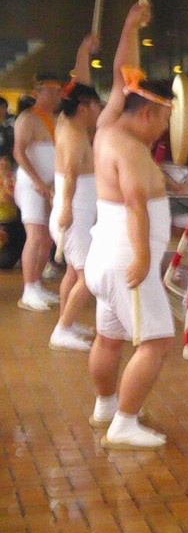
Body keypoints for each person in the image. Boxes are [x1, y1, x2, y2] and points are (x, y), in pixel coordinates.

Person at [84, 2, 175, 446]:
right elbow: (137, 204)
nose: (164, 129)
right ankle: (124, 421)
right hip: (127, 259)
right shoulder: (133, 149)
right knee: (155, 342)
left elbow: (125, 71)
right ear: (146, 114)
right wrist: (143, 259)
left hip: (105, 256)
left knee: (108, 338)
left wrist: (130, 25)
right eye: (164, 119)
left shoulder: (106, 127)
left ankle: (104, 405)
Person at [49, 34, 103, 352]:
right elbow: (69, 174)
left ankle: (64, 323)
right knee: (89, 276)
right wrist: (67, 209)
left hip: (75, 212)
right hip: (73, 213)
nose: (99, 109)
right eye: (95, 105)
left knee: (73, 271)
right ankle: (62, 329)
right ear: (84, 107)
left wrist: (83, 49)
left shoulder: (69, 122)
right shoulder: (71, 135)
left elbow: (79, 82)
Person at [13, 71, 65, 311]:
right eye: (52, 91)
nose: (57, 95)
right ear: (38, 93)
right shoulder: (27, 118)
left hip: (48, 185)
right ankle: (28, 289)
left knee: (46, 239)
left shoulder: (55, 118)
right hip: (31, 184)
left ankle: (37, 285)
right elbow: (19, 153)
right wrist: (38, 181)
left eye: (58, 91)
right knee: (35, 237)